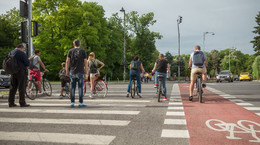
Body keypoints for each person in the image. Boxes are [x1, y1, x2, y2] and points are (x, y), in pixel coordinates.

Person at [66, 39, 88, 108]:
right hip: (80, 71)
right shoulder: (83, 51)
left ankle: (72, 103)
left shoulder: (70, 51)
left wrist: (67, 70)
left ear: (74, 44)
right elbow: (85, 61)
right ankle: (80, 102)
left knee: (72, 87)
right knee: (80, 87)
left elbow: (67, 61)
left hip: (72, 71)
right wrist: (86, 70)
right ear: (80, 44)